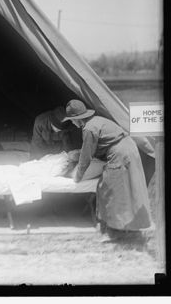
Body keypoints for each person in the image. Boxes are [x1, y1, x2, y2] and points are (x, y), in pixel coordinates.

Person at [62, 99, 152, 242]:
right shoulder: (97, 120)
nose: (72, 123)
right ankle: (125, 227)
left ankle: (115, 231)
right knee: (128, 190)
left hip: (120, 154)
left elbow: (86, 158)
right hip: (129, 148)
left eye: (73, 120)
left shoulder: (89, 129)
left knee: (108, 189)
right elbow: (95, 147)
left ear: (78, 119)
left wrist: (77, 176)